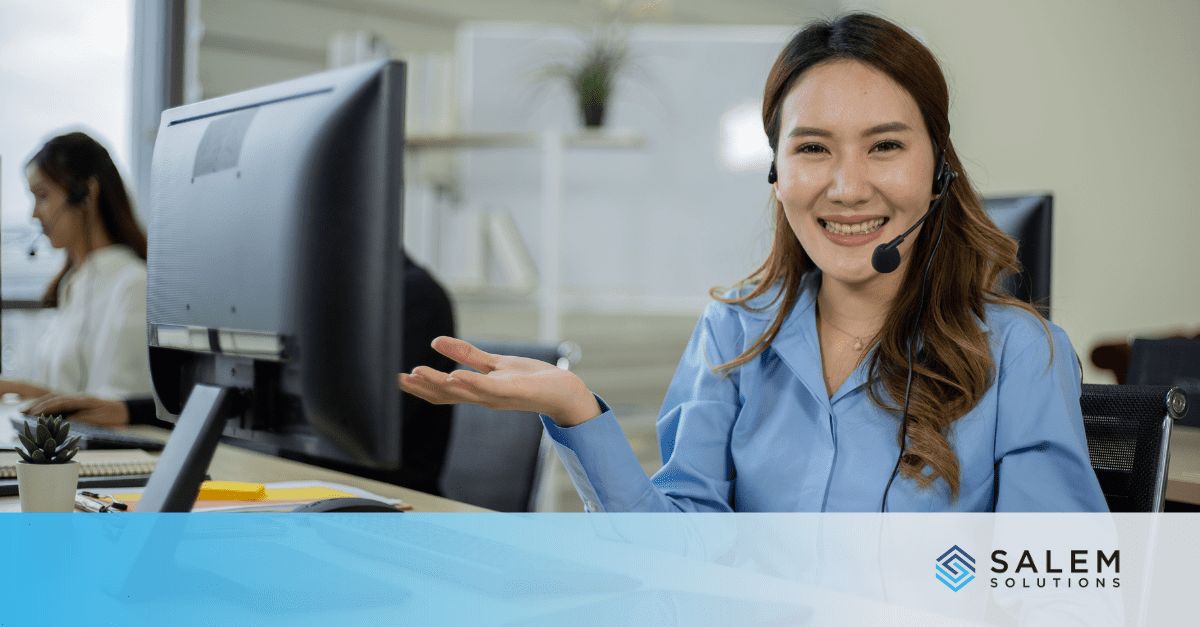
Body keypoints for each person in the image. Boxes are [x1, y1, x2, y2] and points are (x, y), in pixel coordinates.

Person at [407, 13, 1108, 512]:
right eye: (812, 148)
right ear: (777, 174)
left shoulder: (1023, 355)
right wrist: (576, 408)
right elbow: (681, 557)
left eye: (885, 146)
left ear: (939, 172)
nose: (846, 186)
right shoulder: (734, 332)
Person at [27, 253, 457, 496]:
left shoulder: (414, 297)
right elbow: (252, 391)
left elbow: (359, 430)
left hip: (385, 505)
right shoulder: (317, 296)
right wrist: (131, 410)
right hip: (311, 492)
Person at [0, 132, 152, 402]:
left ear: (86, 194)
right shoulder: (73, 283)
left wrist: (22, 390)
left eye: (43, 196)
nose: (34, 214)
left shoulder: (133, 284)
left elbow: (117, 409)